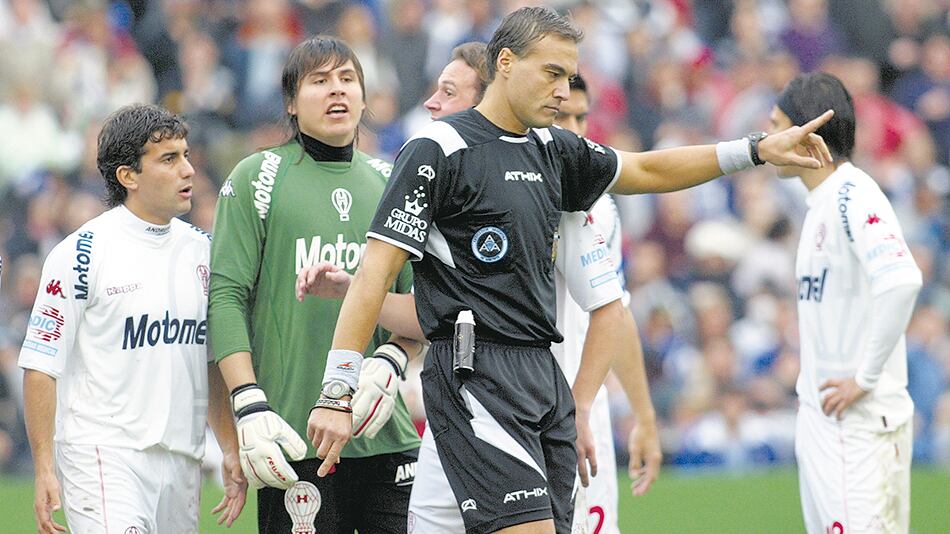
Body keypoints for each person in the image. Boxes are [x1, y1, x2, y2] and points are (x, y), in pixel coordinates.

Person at [309, 7, 833, 534]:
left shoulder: (554, 151)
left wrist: (755, 150)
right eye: (552, 73)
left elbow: (646, 168)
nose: (563, 92)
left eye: (569, 76)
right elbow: (375, 275)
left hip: (545, 379)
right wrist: (337, 391)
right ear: (506, 63)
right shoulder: (439, 149)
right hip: (476, 376)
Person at [299, 50, 662, 534]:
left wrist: (623, 412)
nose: (431, 103)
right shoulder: (448, 176)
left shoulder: (567, 192)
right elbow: (438, 314)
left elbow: (614, 311)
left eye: (449, 92)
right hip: (464, 397)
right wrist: (355, 297)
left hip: (551, 413)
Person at [208, 36, 423, 534]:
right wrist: (248, 403)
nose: (337, 90)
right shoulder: (257, 177)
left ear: (365, 97)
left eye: (348, 79)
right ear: (291, 102)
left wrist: (392, 359)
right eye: (319, 81)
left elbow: (421, 306)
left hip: (386, 438)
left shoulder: (390, 180)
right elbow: (225, 298)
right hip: (290, 437)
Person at [19, 104, 246, 534]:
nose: (188, 170)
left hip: (183, 458)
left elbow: (212, 361)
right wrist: (44, 467)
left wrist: (229, 446)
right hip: (102, 455)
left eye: (186, 155)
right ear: (128, 176)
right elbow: (40, 366)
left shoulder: (204, 251)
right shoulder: (80, 254)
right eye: (169, 159)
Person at [768, 73, 922, 534]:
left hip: (856, 426)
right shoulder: (821, 202)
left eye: (776, 125)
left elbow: (902, 280)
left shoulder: (853, 195)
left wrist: (865, 378)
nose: (766, 138)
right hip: (826, 422)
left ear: (807, 133)